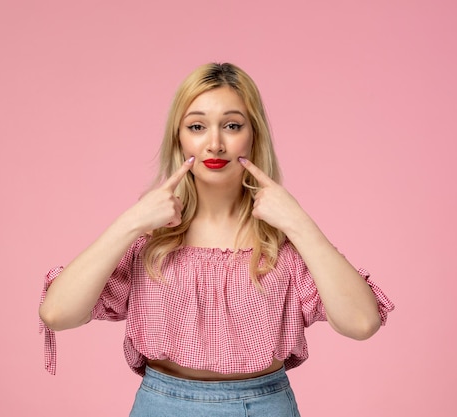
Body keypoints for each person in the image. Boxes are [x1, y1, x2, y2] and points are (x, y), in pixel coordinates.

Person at [39, 62, 394, 416]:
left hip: (264, 406)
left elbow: (362, 323)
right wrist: (129, 223)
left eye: (232, 126)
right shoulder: (150, 238)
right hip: (161, 405)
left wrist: (300, 223)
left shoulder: (283, 243)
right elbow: (57, 313)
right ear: (178, 137)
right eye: (197, 126)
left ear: (253, 135)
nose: (214, 144)